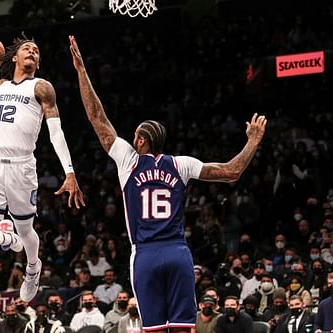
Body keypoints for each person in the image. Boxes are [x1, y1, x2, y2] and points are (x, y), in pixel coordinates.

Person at [69, 36, 267, 333]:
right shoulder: (181, 164)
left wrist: (81, 71)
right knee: (182, 330)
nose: (132, 139)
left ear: (141, 140)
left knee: (154, 331)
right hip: (177, 252)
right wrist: (252, 141)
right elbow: (232, 171)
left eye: (136, 135)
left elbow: (98, 119)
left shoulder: (128, 161)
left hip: (146, 254)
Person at [0, 34, 85, 303]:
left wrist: (69, 171)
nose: (32, 52)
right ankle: (9, 240)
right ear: (15, 57)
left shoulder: (41, 88)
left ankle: (33, 268)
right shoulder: (0, 86)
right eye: (26, 48)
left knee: (26, 229)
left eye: (36, 50)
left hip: (21, 168)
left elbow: (56, 132)